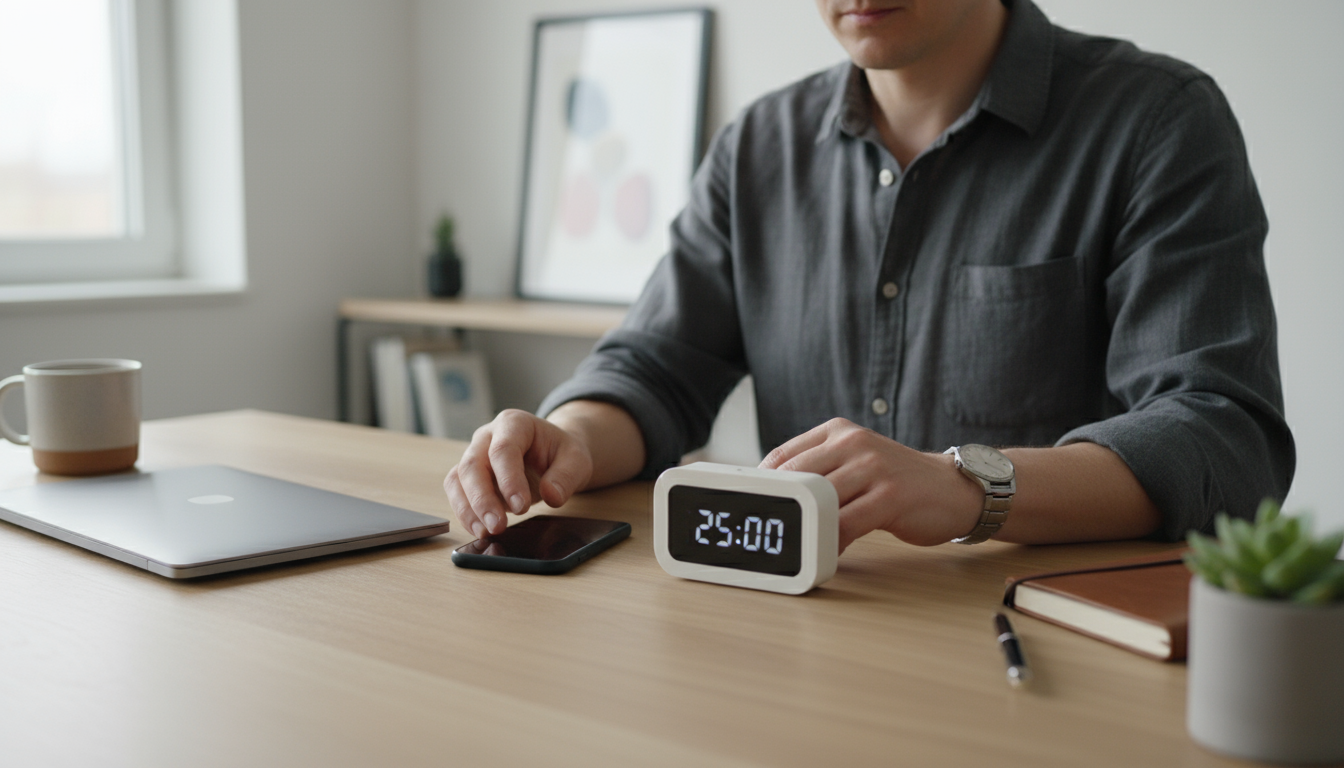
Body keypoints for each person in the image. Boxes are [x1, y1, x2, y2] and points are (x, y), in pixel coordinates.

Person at [444, 0, 1294, 553]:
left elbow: (1223, 437)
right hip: (807, 631)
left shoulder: (1157, 123)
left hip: (1043, 643)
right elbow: (655, 366)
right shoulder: (759, 148)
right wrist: (573, 439)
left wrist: (966, 486)